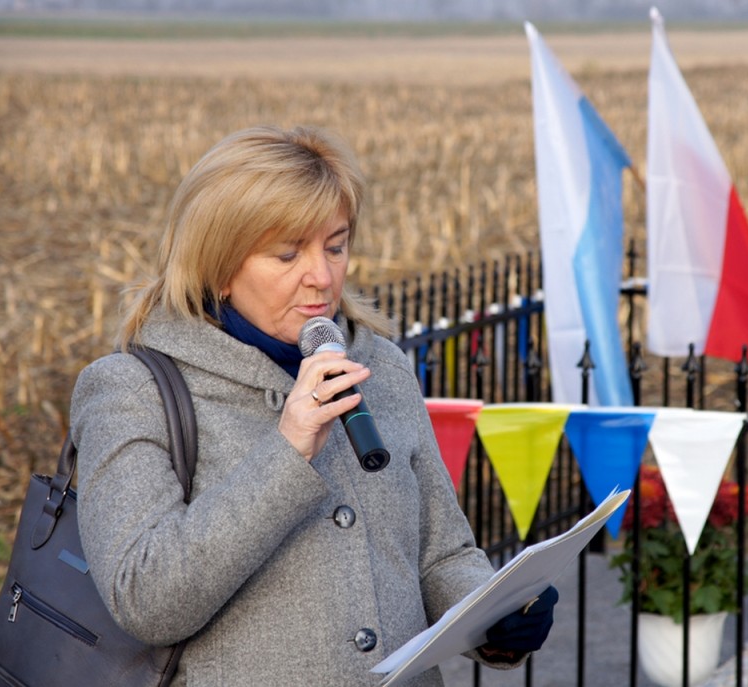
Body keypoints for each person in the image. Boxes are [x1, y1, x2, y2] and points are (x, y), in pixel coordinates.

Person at [70, 125, 557, 686]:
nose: (322, 278)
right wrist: (287, 450)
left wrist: (494, 614)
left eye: (335, 246)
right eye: (286, 254)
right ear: (218, 268)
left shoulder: (383, 366)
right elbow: (146, 600)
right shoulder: (132, 391)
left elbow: (440, 553)